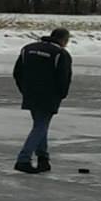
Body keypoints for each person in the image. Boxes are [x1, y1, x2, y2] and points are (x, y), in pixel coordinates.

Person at [13, 28, 73, 173]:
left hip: (30, 93)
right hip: (49, 95)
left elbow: (17, 72)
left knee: (40, 124)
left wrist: (24, 90)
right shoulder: (61, 54)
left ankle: (43, 159)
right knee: (41, 126)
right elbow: (64, 78)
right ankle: (23, 159)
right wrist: (61, 95)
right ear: (64, 40)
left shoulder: (28, 49)